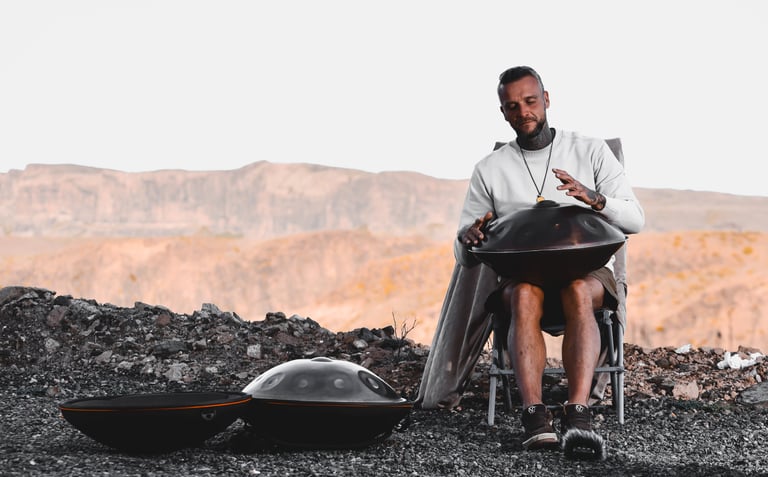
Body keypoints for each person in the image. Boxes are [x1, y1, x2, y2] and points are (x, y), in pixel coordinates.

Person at [455, 66, 644, 457]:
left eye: (529, 101)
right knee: (524, 294)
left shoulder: (590, 151)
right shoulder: (489, 169)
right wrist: (467, 238)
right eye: (512, 106)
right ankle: (535, 416)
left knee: (577, 290)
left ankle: (578, 414)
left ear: (546, 99)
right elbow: (464, 253)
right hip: (522, 275)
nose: (523, 111)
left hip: (584, 270)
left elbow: (635, 220)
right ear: (503, 113)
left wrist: (595, 199)